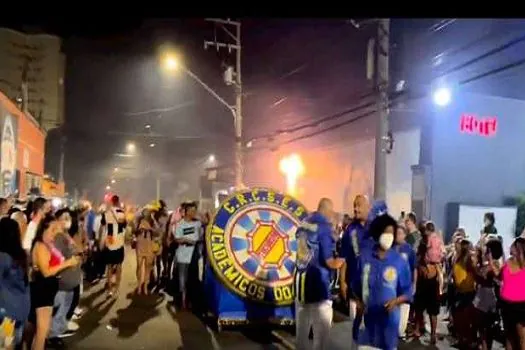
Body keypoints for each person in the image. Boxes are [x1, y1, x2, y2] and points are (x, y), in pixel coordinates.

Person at [351, 213, 412, 350]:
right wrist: (358, 302)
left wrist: (396, 301)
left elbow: (408, 292)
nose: (389, 237)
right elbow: (355, 287)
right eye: (386, 233)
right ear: (377, 234)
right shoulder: (364, 258)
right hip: (367, 326)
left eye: (392, 233)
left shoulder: (399, 261)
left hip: (388, 327)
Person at [295, 198, 345, 350]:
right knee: (321, 336)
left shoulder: (303, 223)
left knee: (301, 334)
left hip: (300, 284)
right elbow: (329, 261)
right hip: (319, 286)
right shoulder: (324, 227)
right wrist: (343, 259)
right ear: (328, 211)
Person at [29, 215, 79, 350]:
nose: (55, 233)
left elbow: (61, 258)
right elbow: (46, 272)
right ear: (43, 229)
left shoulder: (49, 245)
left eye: (56, 230)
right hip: (41, 292)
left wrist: (66, 238)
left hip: (48, 292)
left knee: (42, 333)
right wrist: (68, 263)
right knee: (41, 333)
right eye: (52, 229)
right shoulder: (40, 246)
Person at [339, 194, 371, 347]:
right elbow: (344, 257)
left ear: (368, 207)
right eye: (354, 205)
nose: (356, 208)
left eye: (359, 205)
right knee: (356, 323)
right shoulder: (350, 230)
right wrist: (342, 282)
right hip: (355, 286)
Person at [47, 209, 82, 346]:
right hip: (62, 282)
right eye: (64, 217)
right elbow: (56, 259)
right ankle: (51, 336)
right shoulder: (57, 237)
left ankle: (56, 332)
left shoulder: (65, 235)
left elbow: (76, 250)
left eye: (69, 217)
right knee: (58, 309)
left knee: (64, 309)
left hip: (70, 282)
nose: (68, 220)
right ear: (57, 219)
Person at [0, 218, 30, 350]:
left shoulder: (3, 258)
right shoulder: (22, 256)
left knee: (5, 345)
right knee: (14, 343)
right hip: (21, 310)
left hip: (5, 314)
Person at [473, 238, 503, 350]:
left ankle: (485, 347)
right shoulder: (489, 263)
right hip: (483, 296)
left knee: (485, 326)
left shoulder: (494, 264)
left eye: (487, 250)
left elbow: (483, 276)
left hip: (488, 298)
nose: (485, 252)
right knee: (482, 326)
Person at [173, 201, 202, 309]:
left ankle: (191, 301)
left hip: (194, 256)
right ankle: (182, 301)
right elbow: (177, 239)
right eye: (192, 211)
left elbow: (202, 232)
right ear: (186, 212)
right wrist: (187, 240)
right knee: (182, 279)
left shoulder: (197, 223)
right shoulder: (180, 224)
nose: (194, 212)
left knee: (192, 279)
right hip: (183, 255)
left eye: (195, 210)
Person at [500, 237, 525, 350]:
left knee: (520, 336)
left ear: (517, 248)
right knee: (510, 336)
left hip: (521, 305)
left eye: (513, 245)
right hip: (507, 303)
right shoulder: (508, 262)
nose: (510, 247)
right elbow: (500, 277)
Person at [451, 239, 477, 349]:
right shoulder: (458, 258)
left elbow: (474, 272)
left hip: (468, 292)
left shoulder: (469, 260)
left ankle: (468, 341)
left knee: (465, 318)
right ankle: (461, 339)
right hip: (459, 290)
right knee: (458, 317)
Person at [100, 195, 126, 298]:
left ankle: (109, 288)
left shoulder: (106, 213)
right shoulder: (122, 213)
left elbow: (102, 228)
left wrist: (101, 242)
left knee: (109, 266)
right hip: (119, 241)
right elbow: (124, 226)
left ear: (111, 202)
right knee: (119, 265)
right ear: (118, 201)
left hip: (110, 240)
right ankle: (117, 287)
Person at [394, 224, 416, 338]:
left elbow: (414, 268)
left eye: (400, 233)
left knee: (400, 326)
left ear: (405, 235)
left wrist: (414, 284)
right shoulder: (390, 248)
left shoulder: (409, 250)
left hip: (405, 288)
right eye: (396, 233)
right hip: (392, 289)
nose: (398, 236)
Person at [135, 214, 156, 295]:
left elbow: (157, 232)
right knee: (139, 265)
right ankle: (139, 286)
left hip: (149, 245)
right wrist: (139, 229)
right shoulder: (139, 221)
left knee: (148, 267)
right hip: (140, 245)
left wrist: (150, 228)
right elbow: (134, 231)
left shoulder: (152, 222)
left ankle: (145, 287)